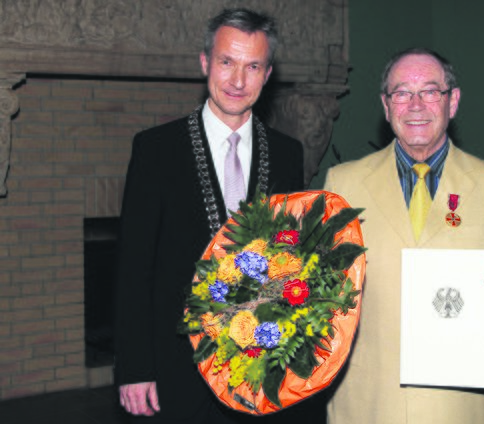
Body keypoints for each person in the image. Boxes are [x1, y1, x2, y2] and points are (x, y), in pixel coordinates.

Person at [114, 8, 326, 424]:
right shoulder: (157, 150)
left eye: (252, 66)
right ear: (205, 62)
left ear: (267, 76)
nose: (237, 80)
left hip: (261, 368)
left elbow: (290, 259)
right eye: (227, 62)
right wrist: (135, 367)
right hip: (178, 369)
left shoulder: (287, 154)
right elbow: (133, 266)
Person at [323, 47, 484, 424]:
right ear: (385, 105)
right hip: (367, 403)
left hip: (458, 404)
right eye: (401, 93)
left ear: (453, 101)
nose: (415, 104)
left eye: (430, 91)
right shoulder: (342, 183)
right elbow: (319, 285)